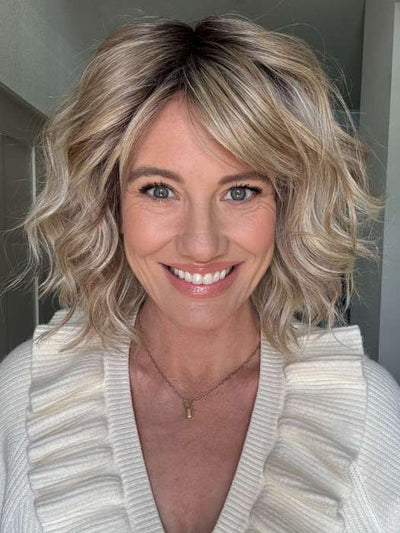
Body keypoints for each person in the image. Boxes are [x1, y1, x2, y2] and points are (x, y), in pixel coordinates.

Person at [1, 14, 399, 533]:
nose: (201, 244)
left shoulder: (365, 410)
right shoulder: (26, 392)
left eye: (240, 191)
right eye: (159, 190)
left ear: (286, 205)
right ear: (111, 205)